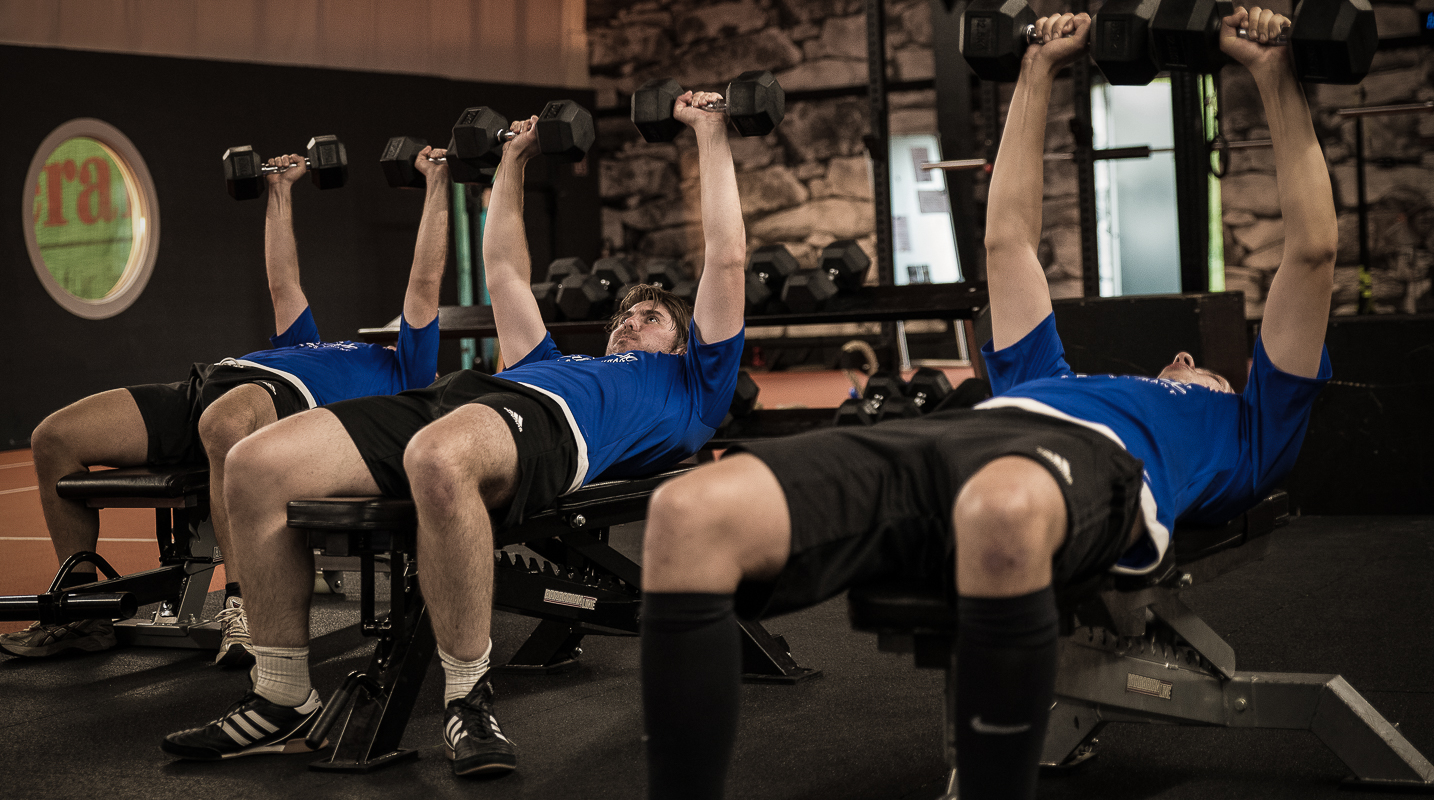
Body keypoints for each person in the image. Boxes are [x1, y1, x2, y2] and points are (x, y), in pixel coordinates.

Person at [637, 8, 1334, 800]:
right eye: (1182, 358)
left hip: (1086, 469)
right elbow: (1006, 242)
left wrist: (1273, 78)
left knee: (1000, 509)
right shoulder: (1047, 375)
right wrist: (1036, 69)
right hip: (950, 437)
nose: (1184, 359)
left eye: (1206, 366)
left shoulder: (1251, 431)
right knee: (685, 514)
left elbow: (1310, 254)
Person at [159, 97, 747, 775]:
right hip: (455, 401)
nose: (630, 323)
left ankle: (468, 699)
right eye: (625, 315)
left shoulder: (695, 386)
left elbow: (726, 259)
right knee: (253, 463)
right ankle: (283, 696)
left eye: (651, 316)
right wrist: (513, 160)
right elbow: (502, 269)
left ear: (686, 341)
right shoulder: (554, 359)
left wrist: (708, 130)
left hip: (546, 430)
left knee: (439, 457)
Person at [2, 148, 449, 665]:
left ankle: (244, 609)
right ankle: (83, 614)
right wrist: (280, 190)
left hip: (277, 405)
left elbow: (424, 284)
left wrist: (437, 181)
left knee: (224, 422)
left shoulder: (407, 374)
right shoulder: (309, 343)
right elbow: (283, 282)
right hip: (209, 384)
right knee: (54, 437)